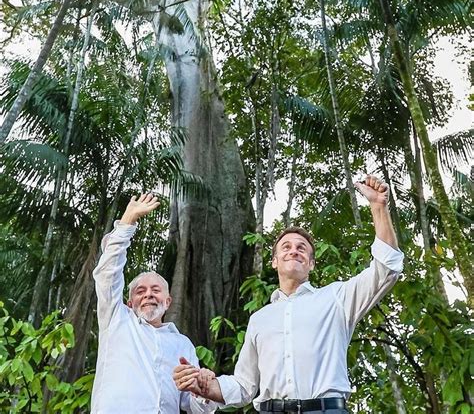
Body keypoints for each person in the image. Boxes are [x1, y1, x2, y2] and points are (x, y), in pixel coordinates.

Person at [173, 175, 404, 414]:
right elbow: (244, 385)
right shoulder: (259, 319)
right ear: (274, 261)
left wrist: (378, 207)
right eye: (286, 247)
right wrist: (205, 386)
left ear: (311, 263)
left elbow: (387, 269)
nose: (294, 251)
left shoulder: (337, 298)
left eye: (302, 248)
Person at [91, 192, 214, 414]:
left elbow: (194, 406)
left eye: (155, 290)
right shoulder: (117, 320)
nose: (148, 295)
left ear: (168, 302)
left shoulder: (182, 345)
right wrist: (128, 221)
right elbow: (107, 274)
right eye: (140, 291)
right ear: (129, 303)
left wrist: (203, 391)